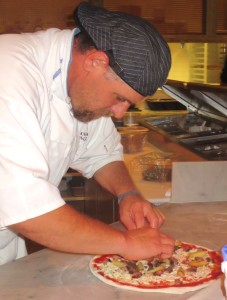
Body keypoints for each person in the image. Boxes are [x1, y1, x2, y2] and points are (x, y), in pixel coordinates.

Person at [0, 2, 175, 265]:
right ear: (96, 61)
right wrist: (125, 243)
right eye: (119, 98)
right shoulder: (9, 77)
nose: (118, 113)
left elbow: (100, 152)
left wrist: (128, 194)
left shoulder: (80, 85)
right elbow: (27, 208)